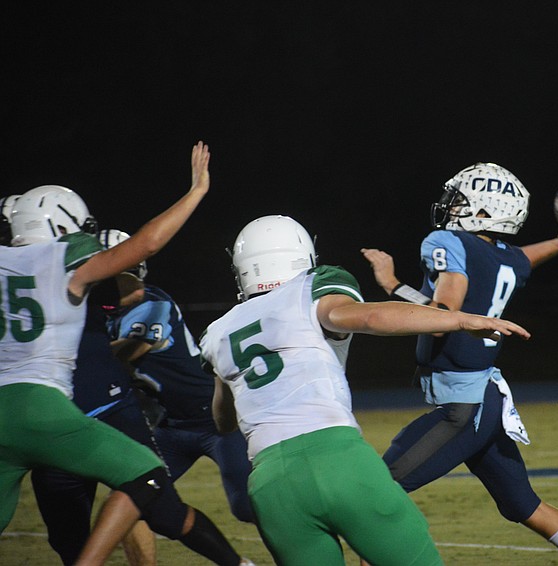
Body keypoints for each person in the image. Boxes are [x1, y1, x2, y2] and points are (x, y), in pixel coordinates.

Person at [199, 214, 531, 566]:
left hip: (270, 485)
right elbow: (370, 318)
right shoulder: (312, 287)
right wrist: (461, 319)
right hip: (338, 460)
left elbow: (223, 420)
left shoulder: (218, 332)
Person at [360, 163, 558, 566]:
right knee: (524, 506)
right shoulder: (500, 257)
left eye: (460, 200)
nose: (449, 205)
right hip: (487, 399)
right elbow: (522, 259)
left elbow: (444, 314)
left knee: (374, 496)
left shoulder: (446, 241)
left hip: (465, 411)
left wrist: (391, 285)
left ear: (483, 210)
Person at [0, 196, 253, 566]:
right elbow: (143, 245)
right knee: (103, 511)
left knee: (160, 505)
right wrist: (197, 190)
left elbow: (131, 297)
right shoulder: (63, 263)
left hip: (76, 413)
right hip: (58, 416)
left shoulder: (17, 269)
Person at [99, 228, 254, 522]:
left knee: (246, 507)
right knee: (128, 501)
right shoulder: (99, 312)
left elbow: (127, 351)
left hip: (215, 421)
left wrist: (85, 349)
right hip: (169, 426)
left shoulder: (154, 303)